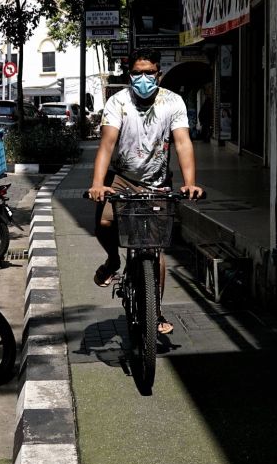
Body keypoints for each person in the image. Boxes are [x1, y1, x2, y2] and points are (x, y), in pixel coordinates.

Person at [87, 48, 204, 334]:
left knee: (154, 249)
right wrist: (98, 183)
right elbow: (107, 145)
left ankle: (156, 311)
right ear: (130, 74)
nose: (143, 78)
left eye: (148, 72)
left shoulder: (172, 102)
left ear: (158, 74)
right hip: (122, 177)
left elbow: (183, 142)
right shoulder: (118, 101)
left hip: (157, 182)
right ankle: (113, 260)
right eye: (137, 73)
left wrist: (190, 182)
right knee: (103, 221)